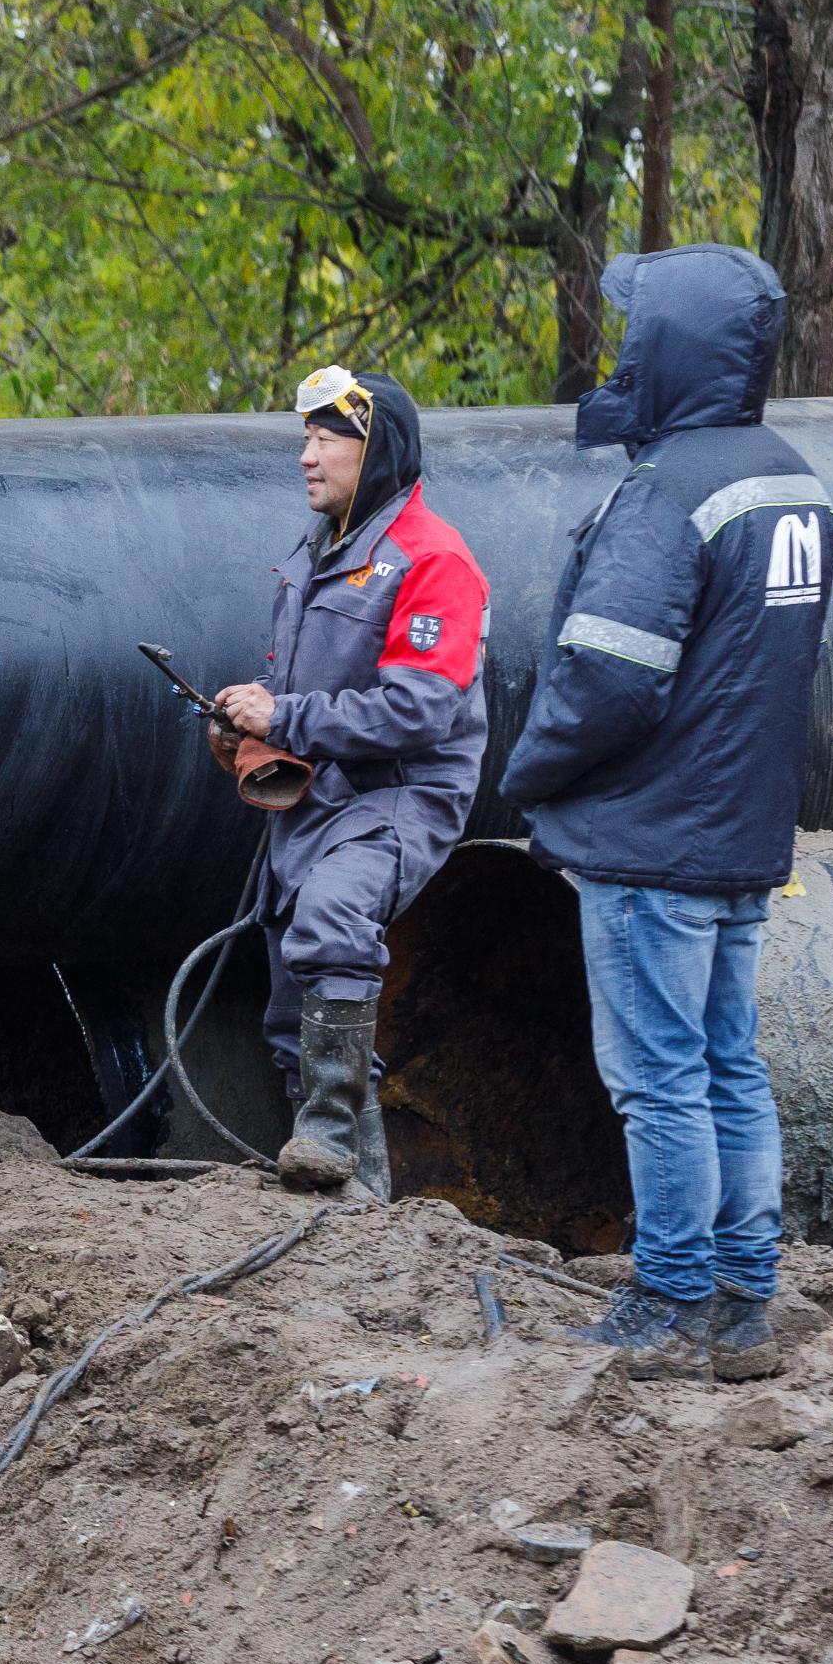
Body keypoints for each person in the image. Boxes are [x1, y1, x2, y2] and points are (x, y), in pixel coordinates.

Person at [499, 245, 833, 1384]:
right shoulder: (796, 478)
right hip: (743, 837)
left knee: (658, 1076)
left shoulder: (668, 492)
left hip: (654, 844)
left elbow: (607, 678)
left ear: (671, 345)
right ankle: (746, 1297)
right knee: (730, 1062)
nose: (619, 349)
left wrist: (528, 773)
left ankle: (672, 1294)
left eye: (635, 330)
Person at [210, 368, 491, 1200]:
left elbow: (420, 710)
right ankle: (357, 1210)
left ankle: (329, 1133)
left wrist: (284, 716)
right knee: (291, 1005)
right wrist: (243, 732)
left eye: (326, 438)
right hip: (315, 802)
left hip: (400, 796)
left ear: (378, 450)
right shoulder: (314, 554)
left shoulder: (435, 560)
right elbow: (296, 697)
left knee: (334, 918)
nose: (306, 456)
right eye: (306, 437)